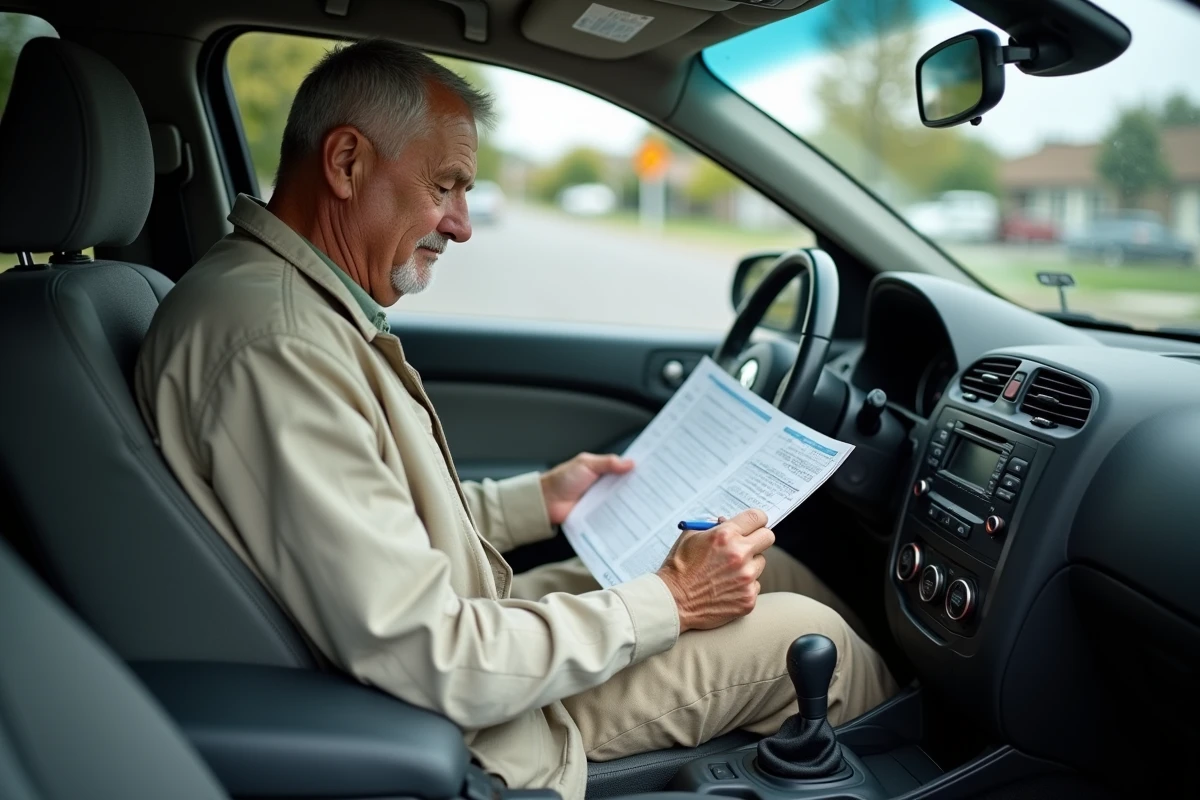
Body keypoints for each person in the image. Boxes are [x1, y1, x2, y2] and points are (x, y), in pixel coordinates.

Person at [135, 39, 896, 800]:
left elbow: (371, 516)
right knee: (813, 637)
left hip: (476, 641)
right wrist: (673, 599)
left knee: (771, 571)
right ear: (346, 163)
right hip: (486, 724)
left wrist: (538, 500)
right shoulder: (276, 345)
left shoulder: (280, 304)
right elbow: (429, 655)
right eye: (445, 186)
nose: (462, 224)